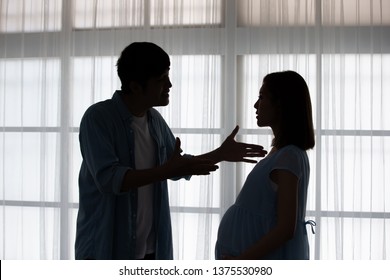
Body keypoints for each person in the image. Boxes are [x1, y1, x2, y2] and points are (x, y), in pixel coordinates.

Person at [75, 42, 267, 260]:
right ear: (136, 86)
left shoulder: (154, 120)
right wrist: (166, 170)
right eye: (161, 79)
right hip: (105, 249)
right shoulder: (98, 118)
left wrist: (219, 154)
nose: (170, 84)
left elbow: (175, 166)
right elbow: (110, 180)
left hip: (151, 251)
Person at [215, 70, 315, 260]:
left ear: (281, 104)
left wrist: (241, 261)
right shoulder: (281, 153)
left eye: (261, 97)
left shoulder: (289, 156)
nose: (255, 105)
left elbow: (286, 229)